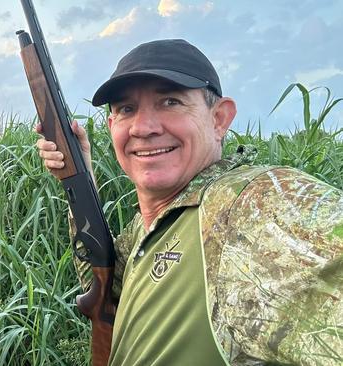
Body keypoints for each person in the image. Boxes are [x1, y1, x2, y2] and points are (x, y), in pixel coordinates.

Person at [35, 39, 342, 365]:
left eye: (170, 101)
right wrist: (81, 180)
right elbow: (108, 293)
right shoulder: (152, 224)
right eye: (126, 109)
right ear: (112, 127)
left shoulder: (249, 203)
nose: (143, 127)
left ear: (219, 118)